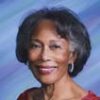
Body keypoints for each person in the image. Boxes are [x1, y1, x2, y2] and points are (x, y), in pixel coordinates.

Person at [16, 7, 100, 100]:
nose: (44, 56)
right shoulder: (26, 97)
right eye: (36, 46)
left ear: (72, 55)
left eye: (55, 46)